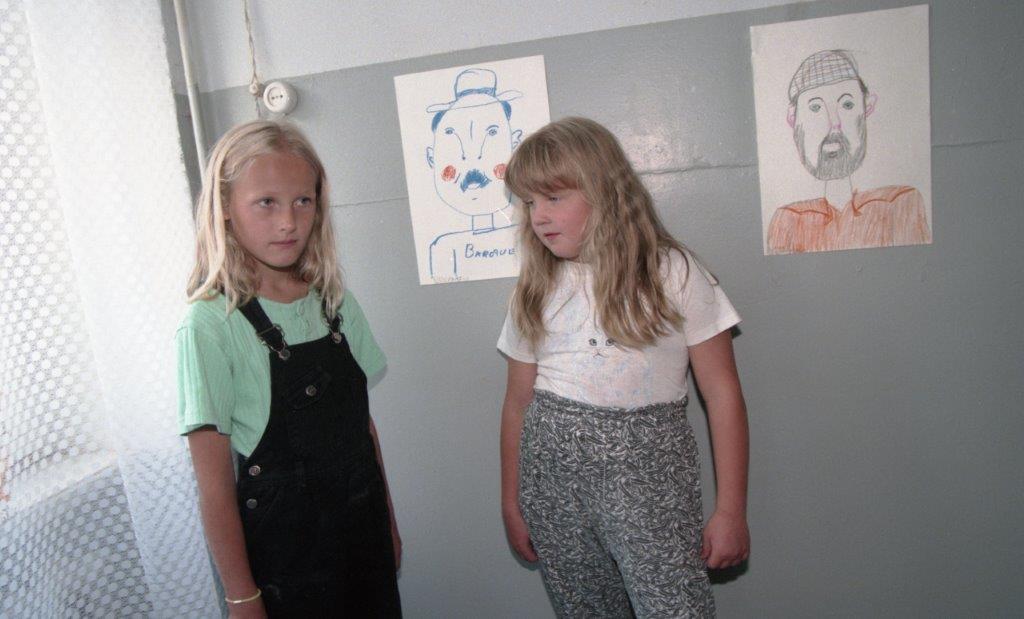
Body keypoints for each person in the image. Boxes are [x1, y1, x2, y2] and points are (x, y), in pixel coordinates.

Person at [497, 117, 750, 618]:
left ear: (604, 192)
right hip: (552, 487)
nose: (539, 216)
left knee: (676, 608)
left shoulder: (673, 272)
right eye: (528, 203)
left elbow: (722, 395)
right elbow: (518, 402)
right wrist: (512, 500)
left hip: (651, 483)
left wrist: (730, 510)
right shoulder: (536, 288)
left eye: (554, 198)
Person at [176, 120, 401, 617]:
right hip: (285, 569)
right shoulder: (210, 324)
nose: (288, 222)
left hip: (362, 544)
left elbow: (361, 429)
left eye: (303, 201)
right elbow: (213, 484)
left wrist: (387, 523)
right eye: (266, 203)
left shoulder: (334, 303)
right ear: (225, 207)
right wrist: (241, 594)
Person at [767, 49, 931, 254]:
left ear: (867, 107)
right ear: (793, 117)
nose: (834, 123)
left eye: (847, 104)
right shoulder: (788, 221)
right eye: (816, 108)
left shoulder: (900, 204)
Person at [425, 68, 523, 281]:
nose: (472, 158)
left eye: (492, 133)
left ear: (515, 145)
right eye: (451, 135)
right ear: (431, 157)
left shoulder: (530, 240)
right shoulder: (444, 249)